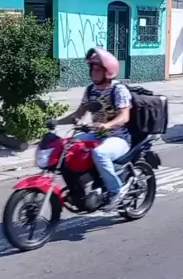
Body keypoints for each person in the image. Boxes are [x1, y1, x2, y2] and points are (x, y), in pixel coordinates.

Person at [56, 47, 132, 210]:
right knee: (67, 147)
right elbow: (78, 114)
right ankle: (78, 189)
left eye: (97, 69)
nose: (93, 73)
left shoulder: (118, 90)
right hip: (97, 134)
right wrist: (56, 122)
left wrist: (107, 125)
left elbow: (124, 117)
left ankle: (115, 191)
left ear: (108, 71)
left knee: (100, 153)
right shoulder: (90, 90)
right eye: (92, 69)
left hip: (118, 137)